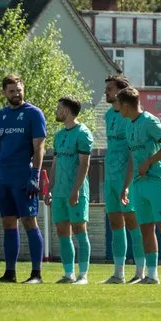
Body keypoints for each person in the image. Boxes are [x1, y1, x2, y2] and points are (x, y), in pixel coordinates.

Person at [113, 84, 161, 285]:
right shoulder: (128, 125)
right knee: (146, 230)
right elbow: (134, 157)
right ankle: (152, 275)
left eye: (118, 104)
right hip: (138, 184)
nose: (116, 107)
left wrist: (149, 162)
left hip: (157, 181)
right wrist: (126, 185)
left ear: (125, 105)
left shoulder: (150, 121)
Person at [0, 73, 49, 284]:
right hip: (4, 177)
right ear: (4, 92)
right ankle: (10, 273)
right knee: (8, 223)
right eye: (12, 91)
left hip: (24, 176)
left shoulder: (34, 114)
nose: (16, 94)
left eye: (19, 90)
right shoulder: (0, 115)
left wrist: (35, 174)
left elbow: (39, 147)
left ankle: (36, 274)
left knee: (29, 220)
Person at [47, 96, 98, 284]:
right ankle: (68, 274)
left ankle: (83, 275)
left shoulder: (83, 133)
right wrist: (50, 188)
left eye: (59, 108)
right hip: (59, 192)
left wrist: (76, 189)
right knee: (62, 231)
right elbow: (56, 162)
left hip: (75, 192)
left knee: (79, 230)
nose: (56, 111)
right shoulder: (59, 135)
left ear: (67, 111)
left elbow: (85, 165)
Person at [101, 76, 140, 283]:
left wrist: (128, 179)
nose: (106, 92)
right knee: (115, 222)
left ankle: (141, 272)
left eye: (109, 89)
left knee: (133, 221)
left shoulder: (130, 116)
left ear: (121, 92)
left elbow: (134, 151)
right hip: (111, 175)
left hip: (128, 176)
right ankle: (119, 273)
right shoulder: (108, 115)